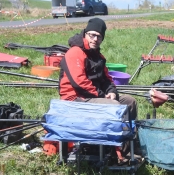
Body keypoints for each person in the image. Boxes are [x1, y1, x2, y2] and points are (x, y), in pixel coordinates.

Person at [59, 17, 137, 164]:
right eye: (92, 35)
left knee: (130, 102)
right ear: (85, 34)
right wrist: (104, 96)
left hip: (93, 96)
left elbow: (107, 78)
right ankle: (114, 150)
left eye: (99, 36)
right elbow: (79, 83)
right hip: (75, 99)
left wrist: (112, 91)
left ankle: (127, 150)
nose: (95, 39)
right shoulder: (75, 52)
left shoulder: (98, 56)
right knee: (114, 107)